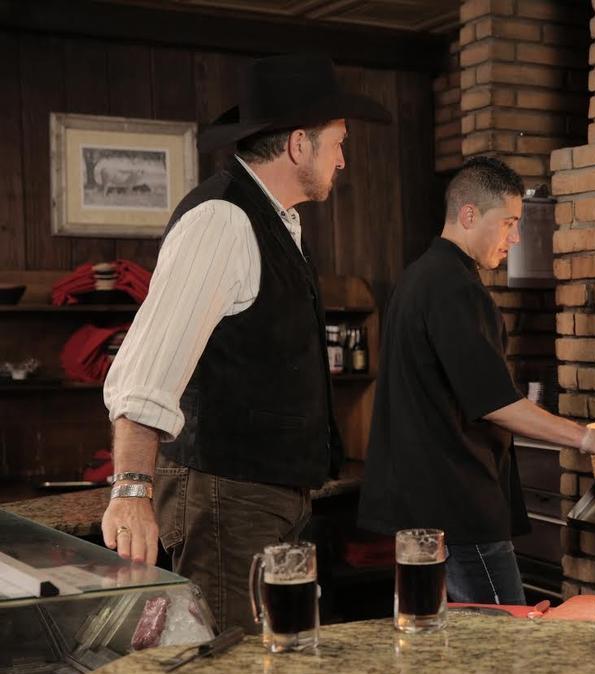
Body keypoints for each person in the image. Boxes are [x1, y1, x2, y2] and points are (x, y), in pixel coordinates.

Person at [101, 53, 391, 632]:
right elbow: (146, 372)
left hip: (266, 496)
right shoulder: (222, 220)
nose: (343, 157)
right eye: (337, 141)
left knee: (273, 654)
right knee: (232, 658)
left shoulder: (273, 219)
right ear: (298, 146)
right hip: (224, 497)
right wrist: (131, 487)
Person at [358, 156, 595, 605]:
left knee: (431, 641)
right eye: (509, 222)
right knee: (506, 644)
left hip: (421, 510)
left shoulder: (418, 279)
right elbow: (496, 401)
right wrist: (589, 438)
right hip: (458, 509)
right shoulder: (455, 288)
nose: (515, 238)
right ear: (470, 214)